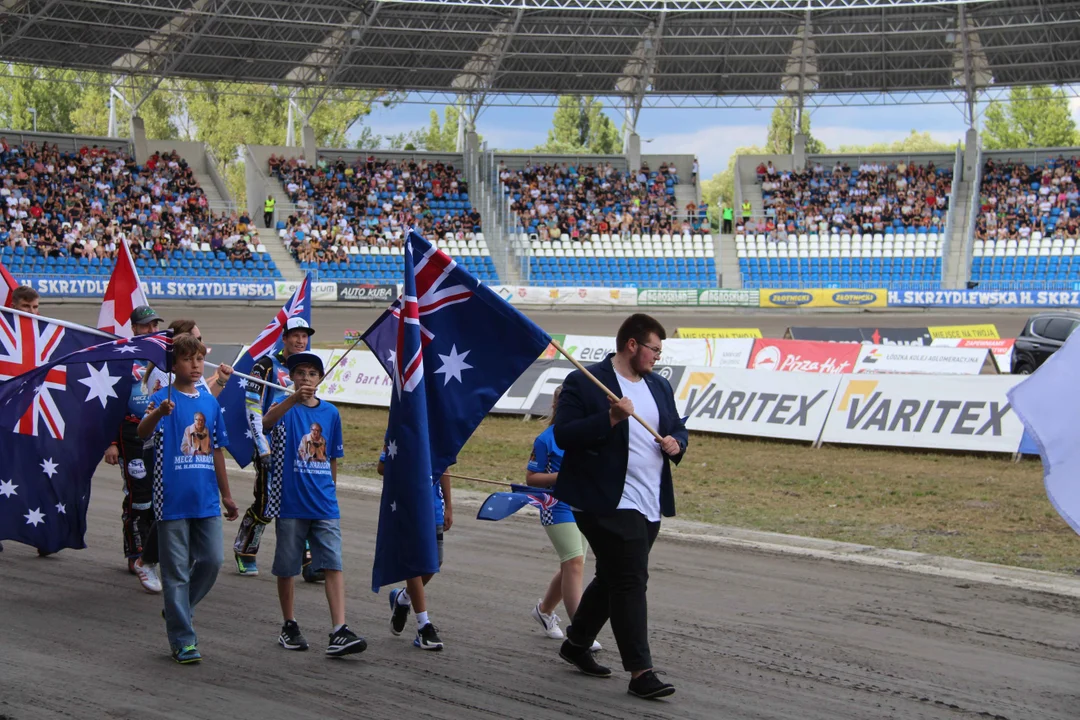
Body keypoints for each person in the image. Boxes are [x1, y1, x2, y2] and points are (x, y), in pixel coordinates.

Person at [553, 313, 688, 700]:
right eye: (654, 349)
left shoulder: (659, 386)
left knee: (614, 576)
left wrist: (678, 443)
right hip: (603, 499)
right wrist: (610, 417)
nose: (657, 357)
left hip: (648, 500)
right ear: (632, 344)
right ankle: (640, 672)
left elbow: (677, 427)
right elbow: (563, 435)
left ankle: (576, 643)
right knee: (631, 579)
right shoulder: (586, 381)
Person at [138, 333, 239, 665]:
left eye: (199, 359)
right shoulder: (163, 397)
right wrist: (158, 413)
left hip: (206, 498)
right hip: (172, 500)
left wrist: (226, 494)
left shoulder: (209, 402)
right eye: (187, 360)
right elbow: (142, 431)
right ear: (174, 364)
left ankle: (177, 609)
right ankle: (183, 638)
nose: (195, 366)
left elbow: (218, 450)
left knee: (212, 561)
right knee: (175, 572)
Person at [262, 351, 366, 657]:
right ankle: (289, 624)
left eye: (311, 373)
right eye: (300, 373)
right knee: (287, 567)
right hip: (290, 501)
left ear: (320, 379)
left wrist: (331, 491)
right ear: (292, 378)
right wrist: (292, 400)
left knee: (333, 563)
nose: (306, 378)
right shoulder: (285, 408)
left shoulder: (331, 413)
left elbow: (333, 457)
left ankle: (339, 630)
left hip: (323, 503)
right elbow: (265, 423)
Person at [233, 317, 320, 580]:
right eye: (295, 335)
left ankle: (308, 562)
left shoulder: (308, 366)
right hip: (270, 446)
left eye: (304, 336)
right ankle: (245, 550)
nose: (300, 340)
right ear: (284, 337)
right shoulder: (265, 365)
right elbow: (252, 407)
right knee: (267, 503)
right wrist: (262, 447)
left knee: (301, 502)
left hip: (299, 447)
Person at [525, 386, 602, 652]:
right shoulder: (546, 440)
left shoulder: (587, 435)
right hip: (556, 506)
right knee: (575, 563)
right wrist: (563, 477)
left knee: (572, 565)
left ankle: (544, 611)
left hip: (583, 505)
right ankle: (581, 631)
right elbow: (531, 479)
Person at [103, 305, 165, 592]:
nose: (151, 331)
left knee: (158, 494)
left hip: (159, 431)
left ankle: (155, 551)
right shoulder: (122, 358)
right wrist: (111, 442)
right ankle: (135, 552)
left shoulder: (165, 356)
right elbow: (108, 405)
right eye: (145, 326)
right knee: (138, 495)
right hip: (130, 433)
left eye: (155, 326)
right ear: (134, 328)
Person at [380, 443, 453, 651]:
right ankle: (423, 625)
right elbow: (382, 467)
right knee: (415, 563)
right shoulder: (402, 426)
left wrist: (449, 506)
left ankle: (403, 598)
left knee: (434, 564)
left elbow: (445, 467)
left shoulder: (439, 429)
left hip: (434, 509)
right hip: (409, 507)